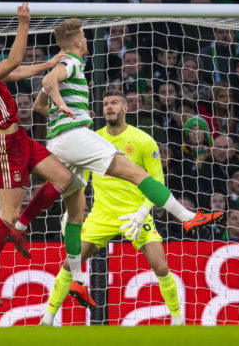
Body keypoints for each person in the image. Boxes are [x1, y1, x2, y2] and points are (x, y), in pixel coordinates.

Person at [34, 19, 223, 304]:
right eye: (84, 36)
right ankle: (186, 217)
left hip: (60, 143)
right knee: (134, 172)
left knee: (75, 213)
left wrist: (57, 105)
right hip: (74, 136)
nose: (86, 40)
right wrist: (62, 105)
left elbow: (38, 105)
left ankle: (75, 284)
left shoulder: (67, 67)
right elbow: (49, 82)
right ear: (76, 42)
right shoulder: (71, 62)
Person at [0, 3, 74, 307]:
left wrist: (47, 65)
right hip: (5, 145)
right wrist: (24, 23)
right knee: (5, 214)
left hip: (19, 138)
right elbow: (15, 59)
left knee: (63, 178)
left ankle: (20, 228)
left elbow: (14, 71)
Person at [38, 90, 185, 326]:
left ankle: (178, 319)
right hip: (101, 215)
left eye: (114, 103)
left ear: (125, 108)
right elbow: (77, 179)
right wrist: (70, 211)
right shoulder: (92, 139)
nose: (109, 107)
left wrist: (141, 211)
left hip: (134, 214)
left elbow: (158, 182)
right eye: (105, 103)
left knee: (161, 265)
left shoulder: (143, 140)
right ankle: (47, 318)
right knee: (71, 262)